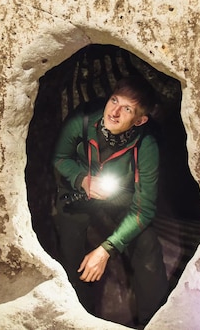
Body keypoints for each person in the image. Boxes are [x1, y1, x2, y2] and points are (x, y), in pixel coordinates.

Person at [52, 76, 168, 327]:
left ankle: (156, 321)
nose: (114, 112)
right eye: (114, 101)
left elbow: (144, 208)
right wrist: (82, 179)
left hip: (119, 195)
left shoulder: (145, 145)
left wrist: (106, 249)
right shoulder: (81, 121)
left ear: (140, 120)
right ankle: (78, 314)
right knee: (70, 236)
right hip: (82, 188)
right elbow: (60, 158)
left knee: (147, 244)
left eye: (127, 109)